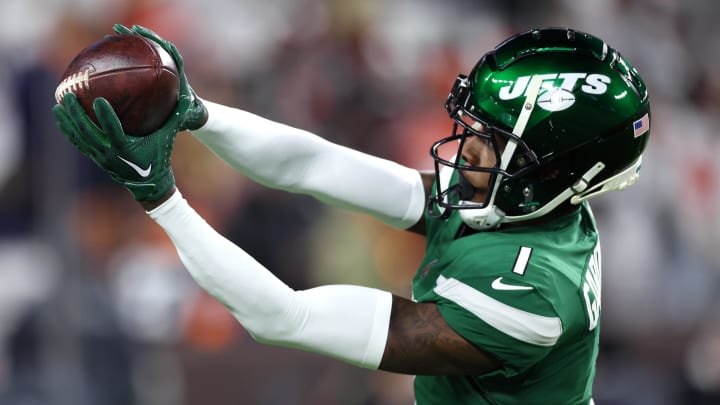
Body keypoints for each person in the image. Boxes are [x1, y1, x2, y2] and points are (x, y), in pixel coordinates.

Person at [52, 24, 651, 405]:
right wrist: (195, 110)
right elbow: (315, 166)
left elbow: (283, 317)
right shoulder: (529, 203)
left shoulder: (529, 296)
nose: (465, 147)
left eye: (492, 139)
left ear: (553, 170)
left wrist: (161, 199)